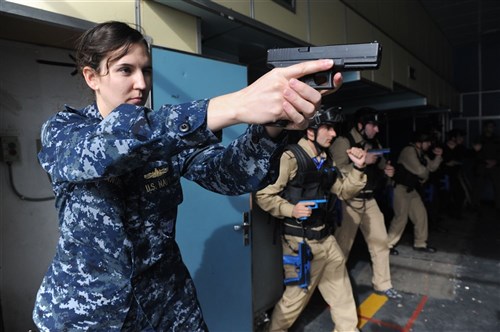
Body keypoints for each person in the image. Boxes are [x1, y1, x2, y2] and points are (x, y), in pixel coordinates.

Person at [32, 21, 344, 331]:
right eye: (126, 70)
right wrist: (234, 105)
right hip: (89, 314)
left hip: (166, 304)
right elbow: (108, 149)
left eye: (147, 70)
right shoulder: (65, 131)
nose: (141, 83)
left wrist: (273, 126)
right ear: (92, 77)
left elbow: (228, 174)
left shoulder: (166, 136)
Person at [255, 106, 367, 332]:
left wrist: (358, 168)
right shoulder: (291, 157)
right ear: (310, 132)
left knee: (341, 290)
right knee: (295, 297)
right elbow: (263, 195)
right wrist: (291, 210)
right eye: (327, 128)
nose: (333, 134)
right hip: (300, 242)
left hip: (326, 237)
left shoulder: (325, 160)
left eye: (334, 129)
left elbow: (343, 191)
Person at [330, 107, 401, 300]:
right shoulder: (343, 142)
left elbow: (382, 165)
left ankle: (383, 284)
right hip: (349, 201)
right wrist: (361, 162)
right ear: (361, 125)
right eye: (374, 125)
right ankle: (332, 288)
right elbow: (336, 171)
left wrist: (387, 170)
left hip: (369, 199)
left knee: (381, 243)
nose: (377, 130)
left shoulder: (374, 142)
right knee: (342, 247)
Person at [388, 130, 443, 254]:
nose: (429, 144)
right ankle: (387, 245)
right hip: (400, 189)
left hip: (411, 190)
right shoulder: (409, 151)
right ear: (420, 142)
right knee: (401, 218)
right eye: (427, 142)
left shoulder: (420, 153)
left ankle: (420, 243)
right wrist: (425, 176)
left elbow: (432, 167)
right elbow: (420, 171)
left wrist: (438, 156)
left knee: (420, 215)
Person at [471, 120, 500, 213]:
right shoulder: (479, 139)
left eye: (492, 126)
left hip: (495, 166)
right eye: (489, 126)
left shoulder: (497, 139)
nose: (491, 128)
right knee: (478, 186)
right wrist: (484, 161)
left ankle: (498, 206)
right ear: (485, 127)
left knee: (498, 186)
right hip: (482, 166)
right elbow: (475, 153)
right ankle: (475, 205)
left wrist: (495, 162)